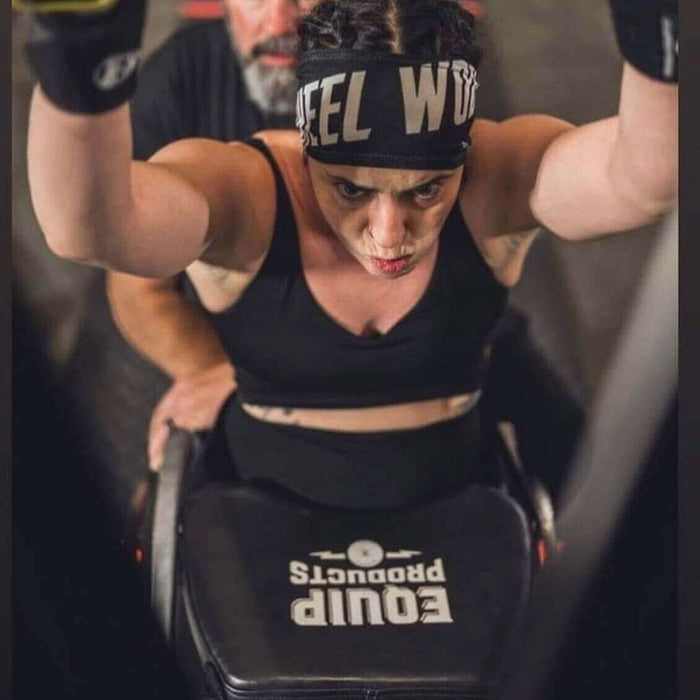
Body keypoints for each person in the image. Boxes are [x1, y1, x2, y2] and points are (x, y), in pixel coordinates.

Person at [25, 0, 677, 509]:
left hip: (461, 474)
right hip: (265, 503)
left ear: (465, 157)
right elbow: (92, 228)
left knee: (620, 533)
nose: (390, 235)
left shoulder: (496, 174)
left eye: (426, 190)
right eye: (349, 189)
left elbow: (646, 178)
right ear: (302, 146)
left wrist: (661, 28)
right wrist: (82, 46)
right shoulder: (246, 189)